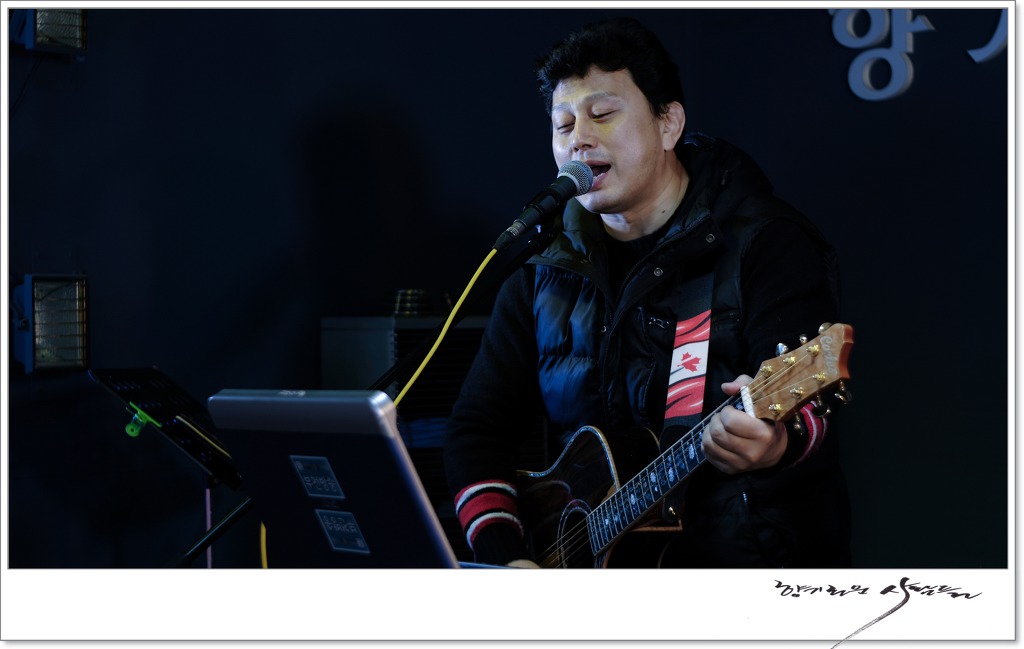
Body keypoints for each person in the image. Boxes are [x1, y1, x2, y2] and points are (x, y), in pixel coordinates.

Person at [443, 16, 851, 569]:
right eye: (563, 124)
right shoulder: (543, 264)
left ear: (668, 124)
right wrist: (507, 560)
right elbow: (477, 430)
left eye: (602, 114)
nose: (579, 137)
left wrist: (776, 444)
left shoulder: (765, 242)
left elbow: (810, 414)